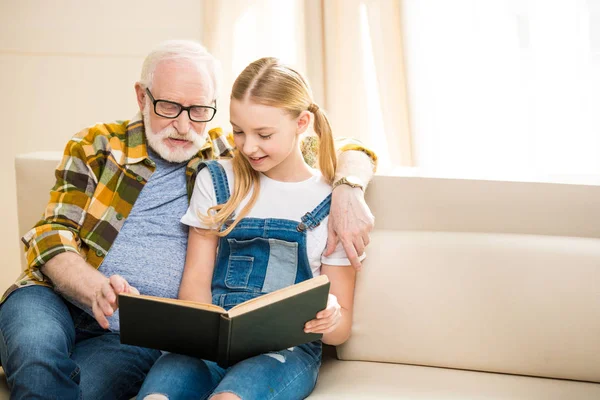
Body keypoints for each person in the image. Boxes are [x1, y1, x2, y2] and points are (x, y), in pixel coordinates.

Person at [0, 40, 376, 399]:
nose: (183, 125)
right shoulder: (98, 146)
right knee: (37, 355)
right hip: (52, 298)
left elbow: (333, 145)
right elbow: (51, 232)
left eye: (198, 110)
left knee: (78, 392)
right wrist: (92, 286)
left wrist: (348, 186)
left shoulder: (228, 152)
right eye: (168, 107)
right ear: (141, 97)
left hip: (127, 335)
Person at [137, 56, 358, 400]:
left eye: (264, 134)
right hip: (209, 342)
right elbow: (195, 284)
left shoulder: (331, 202)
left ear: (302, 122)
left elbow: (340, 328)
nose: (248, 146)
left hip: (283, 351)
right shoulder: (218, 180)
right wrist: (203, 335)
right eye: (238, 131)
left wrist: (330, 314)